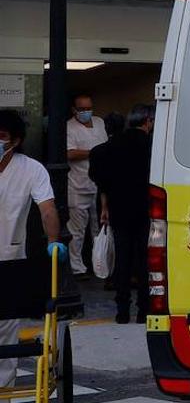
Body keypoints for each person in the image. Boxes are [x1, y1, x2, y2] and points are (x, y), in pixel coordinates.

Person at [0, 110, 64, 403]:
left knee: (6, 334)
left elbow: (47, 208)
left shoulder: (31, 170)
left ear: (16, 141)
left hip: (11, 262)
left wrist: (54, 241)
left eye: (2, 138)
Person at [92, 104, 154, 324]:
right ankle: (144, 309)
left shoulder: (110, 147)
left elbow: (100, 176)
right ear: (147, 121)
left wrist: (106, 206)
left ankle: (122, 310)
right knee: (144, 260)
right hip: (146, 209)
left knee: (122, 260)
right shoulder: (152, 146)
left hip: (119, 209)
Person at [66, 94, 107, 280]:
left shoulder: (99, 122)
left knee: (99, 229)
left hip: (100, 186)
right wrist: (95, 153)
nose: (86, 112)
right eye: (82, 109)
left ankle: (99, 265)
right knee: (77, 231)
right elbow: (70, 153)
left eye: (89, 108)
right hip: (78, 185)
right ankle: (77, 268)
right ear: (74, 110)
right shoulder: (69, 127)